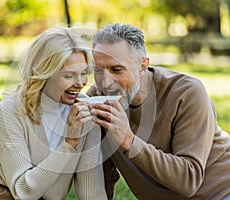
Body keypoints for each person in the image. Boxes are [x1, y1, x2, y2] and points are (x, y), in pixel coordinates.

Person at [0, 27, 107, 200]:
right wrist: (69, 142)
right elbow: (23, 192)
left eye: (83, 73)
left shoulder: (86, 114)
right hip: (0, 193)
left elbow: (92, 192)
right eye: (69, 75)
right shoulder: (12, 109)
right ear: (45, 74)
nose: (80, 83)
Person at [87, 23, 230, 200]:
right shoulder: (97, 99)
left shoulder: (186, 93)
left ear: (143, 65)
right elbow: (102, 180)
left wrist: (128, 139)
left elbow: (188, 180)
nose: (105, 83)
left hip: (220, 193)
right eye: (98, 70)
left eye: (117, 70)